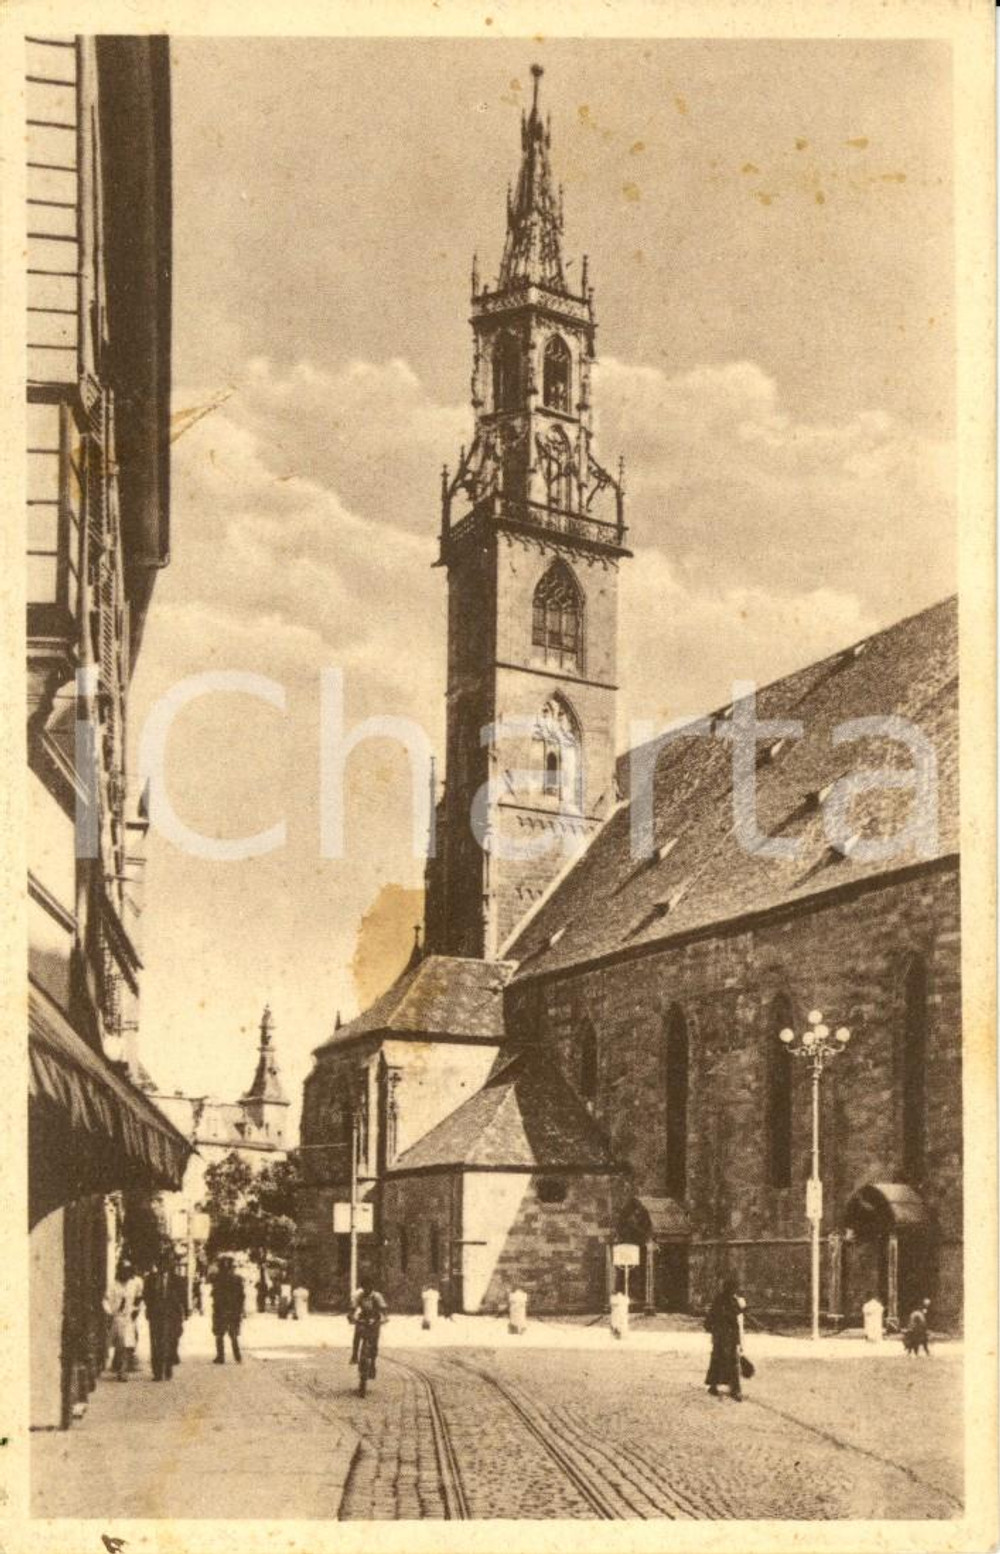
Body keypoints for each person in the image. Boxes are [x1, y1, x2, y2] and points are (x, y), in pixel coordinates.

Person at [144, 1249, 187, 1382]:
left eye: (167, 1263)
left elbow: (183, 1297)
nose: (163, 1266)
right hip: (156, 1315)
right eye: (161, 1263)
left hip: (172, 1315)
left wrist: (185, 1312)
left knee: (171, 1341)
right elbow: (146, 1296)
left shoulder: (178, 1280)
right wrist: (150, 1308)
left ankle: (168, 1366)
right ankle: (157, 1372)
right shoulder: (150, 1279)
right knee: (156, 1342)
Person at [704, 1273, 745, 1401]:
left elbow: (709, 1320)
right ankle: (734, 1390)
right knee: (731, 1362)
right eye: (734, 1288)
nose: (735, 1291)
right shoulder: (730, 1301)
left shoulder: (721, 1300)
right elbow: (736, 1315)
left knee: (718, 1360)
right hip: (726, 1336)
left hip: (723, 1336)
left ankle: (715, 1386)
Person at [104, 1260, 141, 1381]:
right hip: (117, 1317)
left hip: (129, 1318)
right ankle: (120, 1369)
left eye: (127, 1271)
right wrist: (110, 1312)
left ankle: (123, 1370)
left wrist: (136, 1310)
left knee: (128, 1345)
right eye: (123, 1271)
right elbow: (106, 1300)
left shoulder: (133, 1285)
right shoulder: (113, 1285)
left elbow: (138, 1299)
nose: (125, 1274)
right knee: (120, 1344)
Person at [349, 1279, 388, 1379]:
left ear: (372, 1287)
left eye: (369, 1287)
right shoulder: (359, 1295)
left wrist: (385, 1317)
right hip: (363, 1318)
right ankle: (354, 1355)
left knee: (374, 1343)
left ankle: (373, 1364)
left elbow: (383, 1308)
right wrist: (351, 1316)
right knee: (357, 1334)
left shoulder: (377, 1296)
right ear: (362, 1288)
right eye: (365, 1287)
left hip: (374, 1319)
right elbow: (353, 1307)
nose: (367, 1289)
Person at [211, 1255, 245, 1364]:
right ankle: (237, 1356)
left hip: (220, 1310)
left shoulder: (217, 1278)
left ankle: (220, 1357)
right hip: (234, 1310)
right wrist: (241, 1309)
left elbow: (214, 1294)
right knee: (233, 1334)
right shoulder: (237, 1279)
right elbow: (241, 1296)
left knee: (219, 1334)